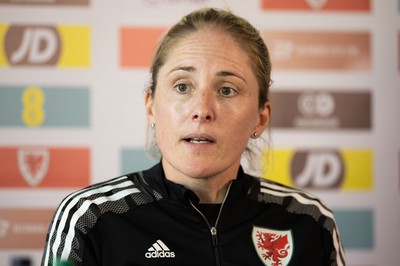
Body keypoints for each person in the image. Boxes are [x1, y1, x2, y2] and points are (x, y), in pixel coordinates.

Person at [41, 7, 345, 266]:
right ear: (150, 106)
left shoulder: (309, 221)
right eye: (182, 86)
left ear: (260, 117)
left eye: (226, 90)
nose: (202, 110)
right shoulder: (92, 218)